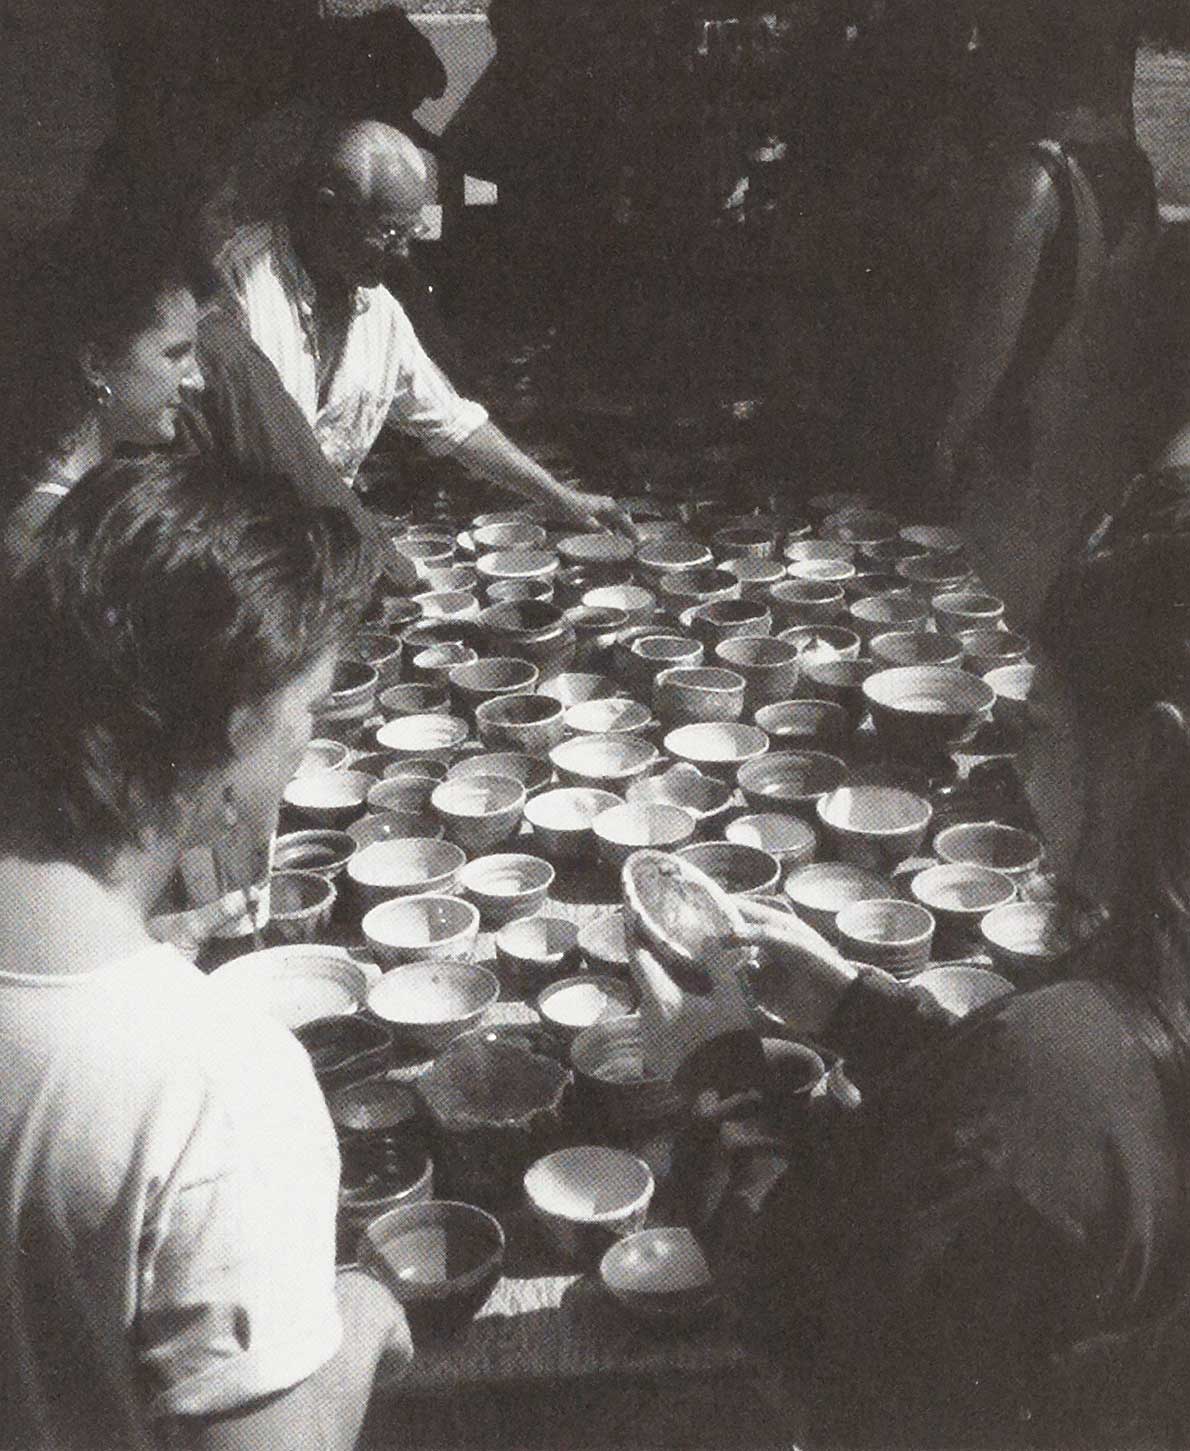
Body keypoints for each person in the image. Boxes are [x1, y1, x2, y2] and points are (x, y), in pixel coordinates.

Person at [630, 471, 1190, 1447]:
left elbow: (817, 1336)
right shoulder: (1118, 1019)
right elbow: (1038, 1134)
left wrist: (714, 1070)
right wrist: (855, 1009)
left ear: (1144, 759)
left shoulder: (1060, 1065)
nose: (1014, 769)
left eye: (1034, 729)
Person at [0, 451, 413, 1450]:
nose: (310, 741)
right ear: (235, 734)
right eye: (311, 708)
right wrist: (359, 1321)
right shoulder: (215, 1081)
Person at [214, 119, 635, 533]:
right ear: (326, 208)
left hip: (314, 548)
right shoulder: (238, 282)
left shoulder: (379, 311)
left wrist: (561, 498)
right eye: (389, 232)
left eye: (411, 233)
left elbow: (452, 421)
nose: (401, 253)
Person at [0, 222, 417, 588]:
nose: (198, 380)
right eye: (175, 354)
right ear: (94, 364)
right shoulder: (46, 535)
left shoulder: (113, 482)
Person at [933, 0, 1156, 625]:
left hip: (1019, 466)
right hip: (1088, 460)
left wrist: (945, 443)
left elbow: (990, 348)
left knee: (983, 631)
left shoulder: (1035, 180)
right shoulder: (1134, 173)